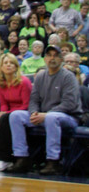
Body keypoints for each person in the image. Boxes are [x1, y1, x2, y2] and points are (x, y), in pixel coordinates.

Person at [7, 43, 82, 175]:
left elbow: (69, 104)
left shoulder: (68, 77)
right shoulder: (41, 76)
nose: (52, 58)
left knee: (51, 118)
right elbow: (34, 100)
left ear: (61, 59)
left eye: (55, 56)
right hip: (44, 115)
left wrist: (46, 114)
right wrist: (34, 113)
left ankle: (53, 161)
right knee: (15, 115)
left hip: (68, 117)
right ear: (45, 58)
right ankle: (21, 158)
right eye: (49, 55)